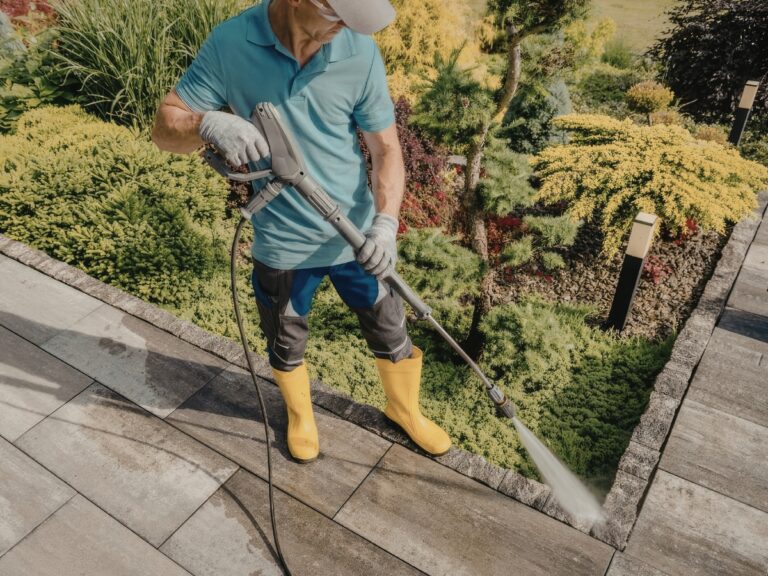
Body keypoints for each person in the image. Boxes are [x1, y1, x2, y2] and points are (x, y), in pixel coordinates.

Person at [152, 0, 451, 463]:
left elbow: (386, 148)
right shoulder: (232, 43)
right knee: (286, 341)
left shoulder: (359, 51)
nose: (348, 29)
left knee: (392, 332)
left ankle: (404, 409)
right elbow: (164, 129)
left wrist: (386, 225)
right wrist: (206, 122)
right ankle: (300, 415)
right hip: (283, 245)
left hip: (356, 239)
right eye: (339, 16)